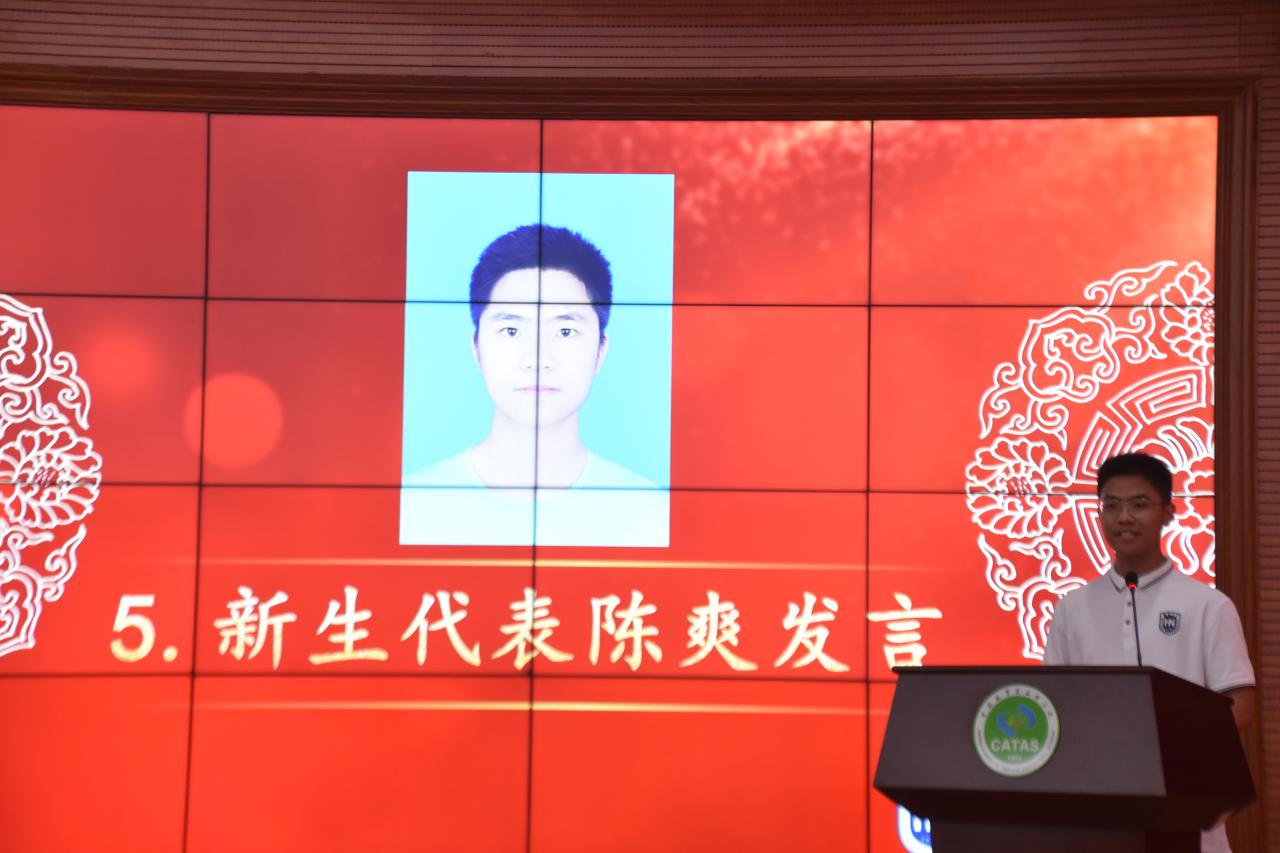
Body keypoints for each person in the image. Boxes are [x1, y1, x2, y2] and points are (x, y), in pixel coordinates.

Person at [400, 223, 668, 547]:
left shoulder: (650, 516)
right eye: (511, 331)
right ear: (476, 348)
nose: (538, 358)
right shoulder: (411, 509)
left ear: (601, 351)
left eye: (565, 331)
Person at [1043, 451, 1254, 852]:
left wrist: (1175, 743)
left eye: (1139, 504)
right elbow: (1054, 702)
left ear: (1168, 513)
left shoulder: (1208, 605)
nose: (1124, 518)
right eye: (1111, 505)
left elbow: (1240, 702)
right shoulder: (1072, 608)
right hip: (1097, 804)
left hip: (1185, 803)